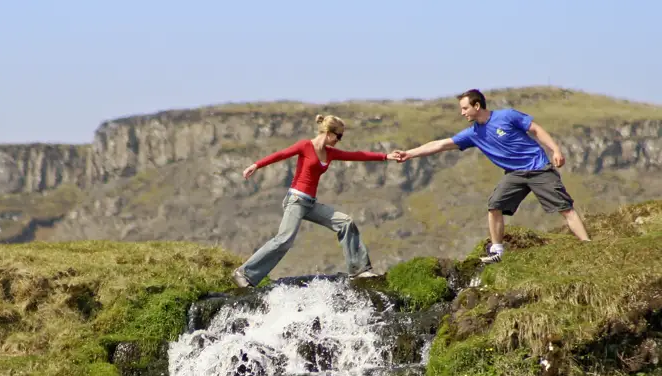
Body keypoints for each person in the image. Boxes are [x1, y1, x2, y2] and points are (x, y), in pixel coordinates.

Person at [393, 89, 590, 264]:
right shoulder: (473, 133)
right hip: (515, 174)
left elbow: (536, 129)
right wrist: (409, 153)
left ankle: (588, 246)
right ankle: (497, 251)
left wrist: (556, 150)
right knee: (494, 205)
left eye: (465, 108)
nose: (462, 113)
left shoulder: (507, 116)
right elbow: (440, 144)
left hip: (538, 168)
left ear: (477, 106)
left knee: (565, 209)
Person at [233, 114, 398, 288]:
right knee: (284, 240)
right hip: (296, 200)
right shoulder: (305, 146)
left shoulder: (330, 153)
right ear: (329, 133)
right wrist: (256, 165)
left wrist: (386, 156)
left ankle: (359, 271)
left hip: (310, 204)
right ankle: (244, 273)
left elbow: (357, 155)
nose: (339, 140)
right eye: (339, 136)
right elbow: (281, 154)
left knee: (345, 222)